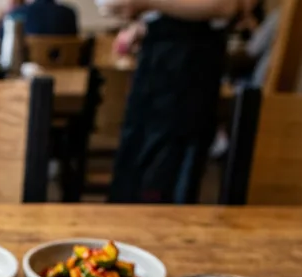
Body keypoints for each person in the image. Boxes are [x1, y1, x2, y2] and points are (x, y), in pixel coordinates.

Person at [106, 0, 257, 204]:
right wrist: (144, 24)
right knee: (136, 178)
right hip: (161, 63)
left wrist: (145, 3)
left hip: (186, 69)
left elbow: (226, 5)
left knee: (162, 182)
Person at [6, 0, 78, 37]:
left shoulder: (17, 14)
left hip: (29, 61)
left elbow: (3, 42)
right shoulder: (69, 13)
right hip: (66, 61)